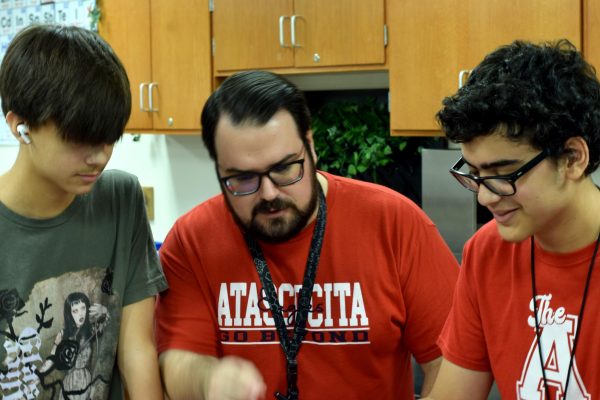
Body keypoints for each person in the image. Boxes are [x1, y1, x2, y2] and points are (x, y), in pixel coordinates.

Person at [154, 70, 459, 400]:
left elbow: (451, 360)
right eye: (242, 178)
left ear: (310, 147)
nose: (269, 193)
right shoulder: (191, 241)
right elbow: (176, 361)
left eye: (285, 168)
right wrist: (207, 379)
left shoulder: (395, 224)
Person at [425, 39, 600, 399]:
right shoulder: (486, 253)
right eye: (474, 173)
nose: (486, 196)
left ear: (572, 157)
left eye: (503, 173)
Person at [0, 24, 167, 399]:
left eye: (109, 138)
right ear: (20, 127)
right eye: (80, 139)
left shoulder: (121, 199)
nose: (99, 157)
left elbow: (136, 350)